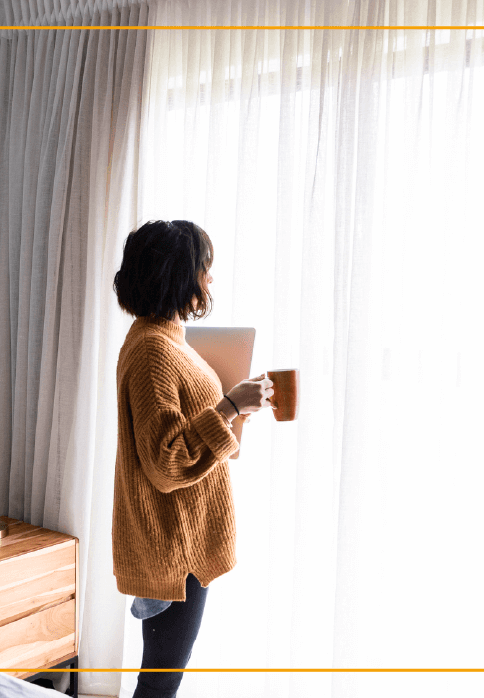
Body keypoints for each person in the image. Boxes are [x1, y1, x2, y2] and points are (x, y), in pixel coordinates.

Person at [111, 219, 273, 698]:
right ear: (178, 275)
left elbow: (181, 423)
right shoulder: (153, 352)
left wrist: (233, 404)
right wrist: (229, 406)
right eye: (205, 269)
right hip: (172, 545)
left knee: (163, 675)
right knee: (160, 683)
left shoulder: (166, 338)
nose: (210, 280)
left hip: (182, 537)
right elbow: (165, 463)